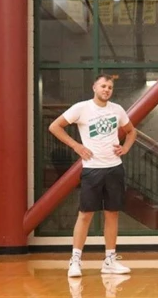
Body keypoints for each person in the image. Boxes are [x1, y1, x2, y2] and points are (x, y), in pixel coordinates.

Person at [49, 74, 137, 278]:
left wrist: (125, 148)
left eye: (110, 87)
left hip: (114, 168)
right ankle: (75, 260)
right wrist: (76, 146)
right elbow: (55, 126)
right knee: (85, 214)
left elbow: (132, 132)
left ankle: (110, 260)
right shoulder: (82, 108)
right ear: (94, 88)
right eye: (103, 86)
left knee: (112, 213)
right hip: (92, 169)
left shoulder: (117, 110)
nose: (107, 89)